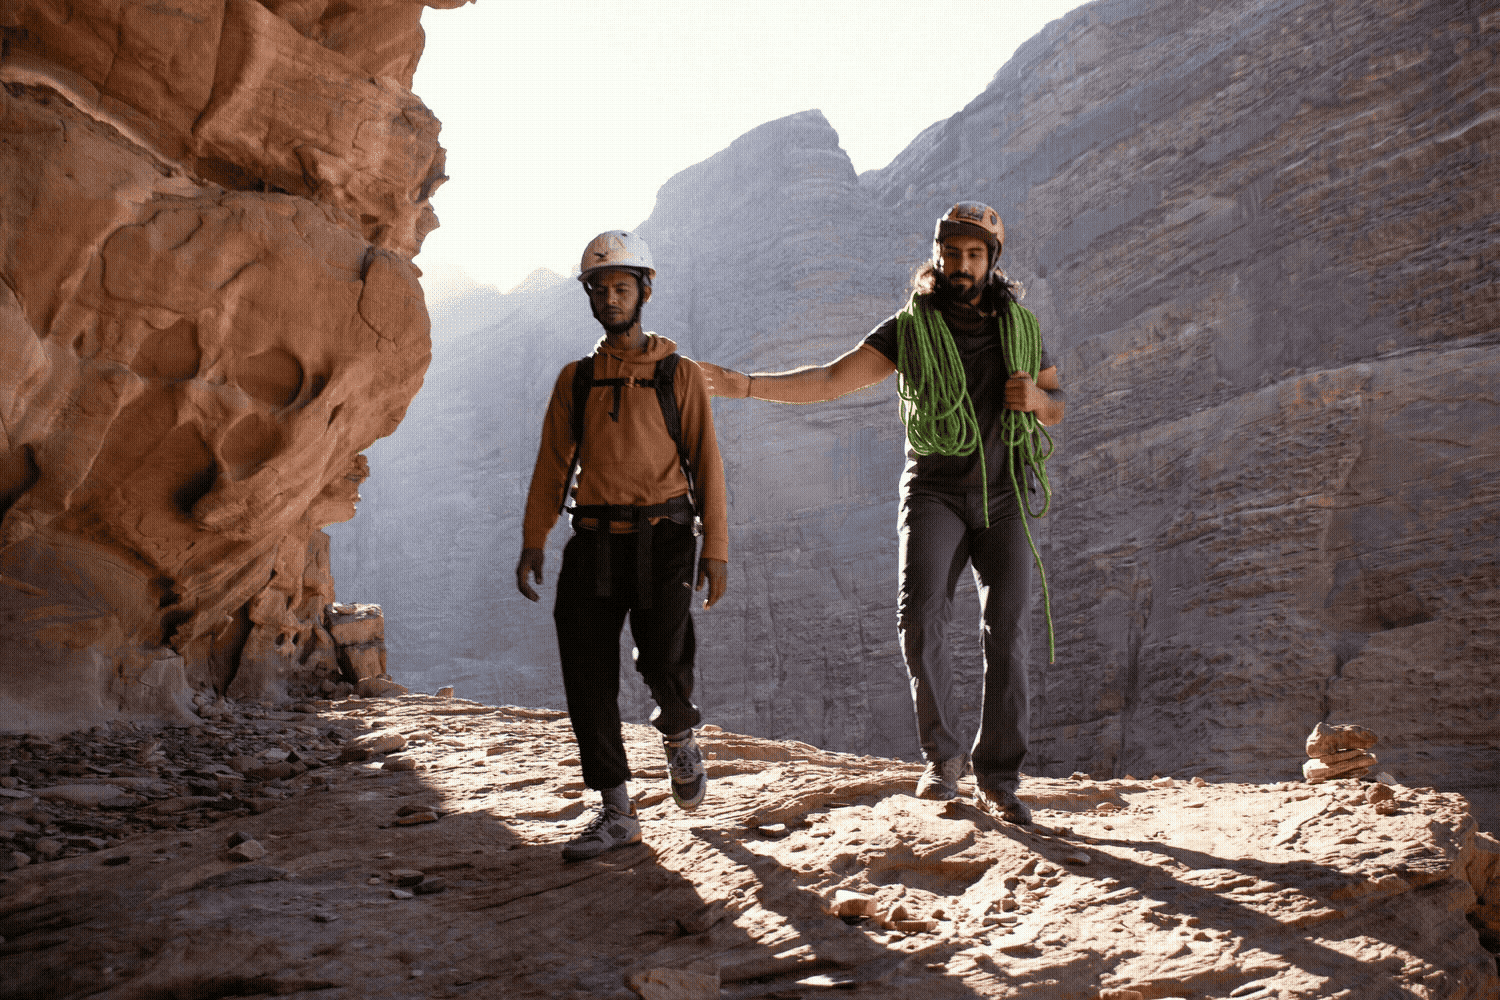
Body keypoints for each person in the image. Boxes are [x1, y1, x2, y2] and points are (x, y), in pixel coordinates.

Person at [700, 203, 1064, 825]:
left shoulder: (1022, 329)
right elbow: (830, 379)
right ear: (937, 256)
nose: (962, 265)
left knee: (1008, 631)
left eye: (975, 255)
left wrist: (1036, 399)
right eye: (952, 253)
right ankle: (943, 759)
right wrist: (747, 384)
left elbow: (1057, 401)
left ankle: (1000, 778)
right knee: (919, 618)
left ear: (992, 261)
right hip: (935, 492)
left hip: (1004, 494)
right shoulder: (910, 328)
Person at [517, 230, 729, 861]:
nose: (611, 299)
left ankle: (679, 732)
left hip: (664, 539)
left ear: (645, 291)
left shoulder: (679, 375)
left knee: (663, 659)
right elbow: (553, 464)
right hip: (592, 542)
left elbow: (707, 463)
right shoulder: (577, 380)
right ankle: (616, 811)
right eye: (600, 289)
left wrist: (716, 549)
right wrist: (534, 539)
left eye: (621, 287)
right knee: (587, 672)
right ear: (589, 297)